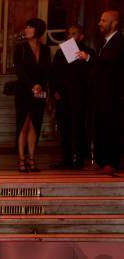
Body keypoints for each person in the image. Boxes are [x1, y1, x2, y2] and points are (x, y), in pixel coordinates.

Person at [77, 10, 123, 175]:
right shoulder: (104, 42)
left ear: (114, 23)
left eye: (103, 21)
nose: (99, 23)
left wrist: (89, 58)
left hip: (112, 93)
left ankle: (112, 162)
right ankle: (100, 161)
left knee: (111, 128)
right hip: (100, 94)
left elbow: (109, 62)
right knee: (100, 127)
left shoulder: (119, 40)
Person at [50, 24, 93, 169]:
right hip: (63, 97)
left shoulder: (88, 52)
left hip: (80, 97)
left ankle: (80, 159)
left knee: (79, 128)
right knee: (64, 128)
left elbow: (92, 75)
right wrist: (54, 90)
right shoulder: (61, 52)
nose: (70, 36)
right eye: (68, 34)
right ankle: (66, 159)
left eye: (74, 33)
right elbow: (54, 72)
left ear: (81, 36)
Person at [13, 18, 50, 172]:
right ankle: (21, 161)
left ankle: (32, 160)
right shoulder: (20, 48)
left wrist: (40, 85)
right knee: (23, 124)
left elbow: (48, 71)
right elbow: (20, 71)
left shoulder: (46, 49)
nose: (26, 29)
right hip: (23, 91)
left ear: (38, 31)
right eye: (26, 26)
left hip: (39, 92)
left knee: (35, 125)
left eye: (30, 27)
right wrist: (31, 85)